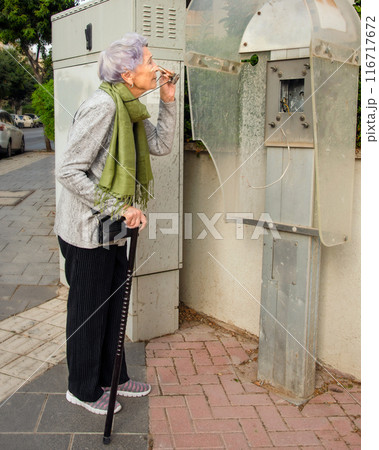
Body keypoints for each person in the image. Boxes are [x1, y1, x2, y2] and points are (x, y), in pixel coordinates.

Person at [54, 33, 176, 415]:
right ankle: (83, 388)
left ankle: (114, 377)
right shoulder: (103, 106)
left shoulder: (131, 106)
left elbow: (160, 146)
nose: (155, 66)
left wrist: (168, 103)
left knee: (112, 306)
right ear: (127, 73)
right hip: (87, 231)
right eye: (149, 61)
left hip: (112, 228)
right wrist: (119, 206)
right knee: (89, 311)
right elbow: (70, 171)